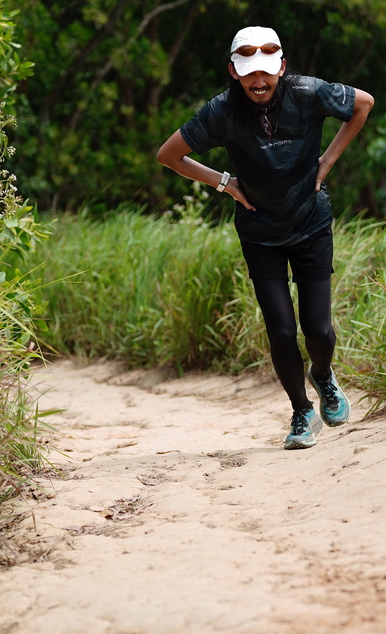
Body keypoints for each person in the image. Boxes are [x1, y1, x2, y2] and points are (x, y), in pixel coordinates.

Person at [157, 25, 374, 450]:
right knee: (280, 330)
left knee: (319, 331)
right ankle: (302, 412)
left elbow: (363, 104)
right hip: (259, 232)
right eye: (249, 73)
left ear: (282, 68)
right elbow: (169, 155)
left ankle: (323, 376)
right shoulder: (222, 111)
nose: (259, 81)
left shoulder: (309, 92)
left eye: (266, 71)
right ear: (233, 72)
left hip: (310, 223)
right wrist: (225, 184)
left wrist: (327, 161)